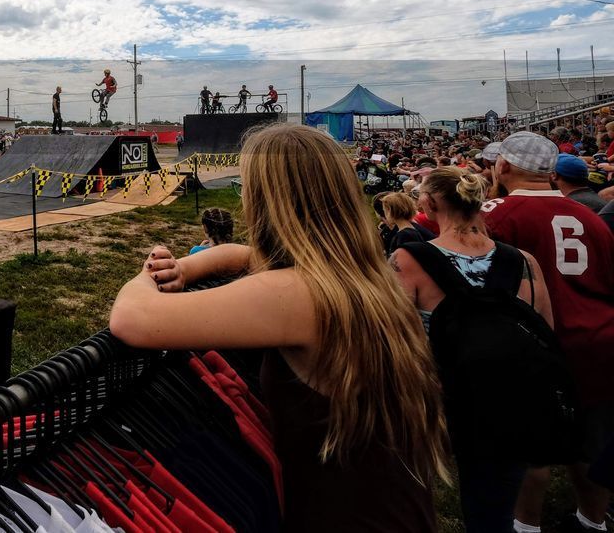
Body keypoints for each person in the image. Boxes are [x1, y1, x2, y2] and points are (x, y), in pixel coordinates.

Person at [115, 123, 447, 531]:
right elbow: (245, 254)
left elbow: (133, 319)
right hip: (393, 510)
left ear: (268, 201)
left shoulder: (297, 294)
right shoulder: (359, 276)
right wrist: (184, 267)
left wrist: (148, 271)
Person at [388, 167, 553, 532]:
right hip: (508, 399)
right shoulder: (524, 261)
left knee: (413, 500)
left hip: (437, 397)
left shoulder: (408, 260)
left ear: (430, 203)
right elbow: (545, 334)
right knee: (493, 509)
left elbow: (394, 340)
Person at [481, 132, 614, 533]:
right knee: (590, 445)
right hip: (598, 340)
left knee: (528, 448)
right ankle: (592, 521)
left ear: (503, 166)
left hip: (534, 343)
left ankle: (525, 526)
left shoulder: (496, 212)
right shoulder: (592, 216)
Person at [379, 191, 435, 255]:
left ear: (390, 210)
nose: (385, 215)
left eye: (385, 211)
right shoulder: (411, 229)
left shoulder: (405, 235)